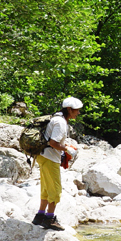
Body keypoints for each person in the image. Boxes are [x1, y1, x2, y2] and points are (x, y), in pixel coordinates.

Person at [31, 97, 82, 231]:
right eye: (77, 110)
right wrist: (67, 149)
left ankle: (39, 216)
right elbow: (53, 143)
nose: (78, 113)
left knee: (46, 188)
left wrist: (64, 146)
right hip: (50, 158)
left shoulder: (56, 118)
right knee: (55, 190)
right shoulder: (60, 122)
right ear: (69, 110)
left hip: (43, 156)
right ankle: (49, 219)